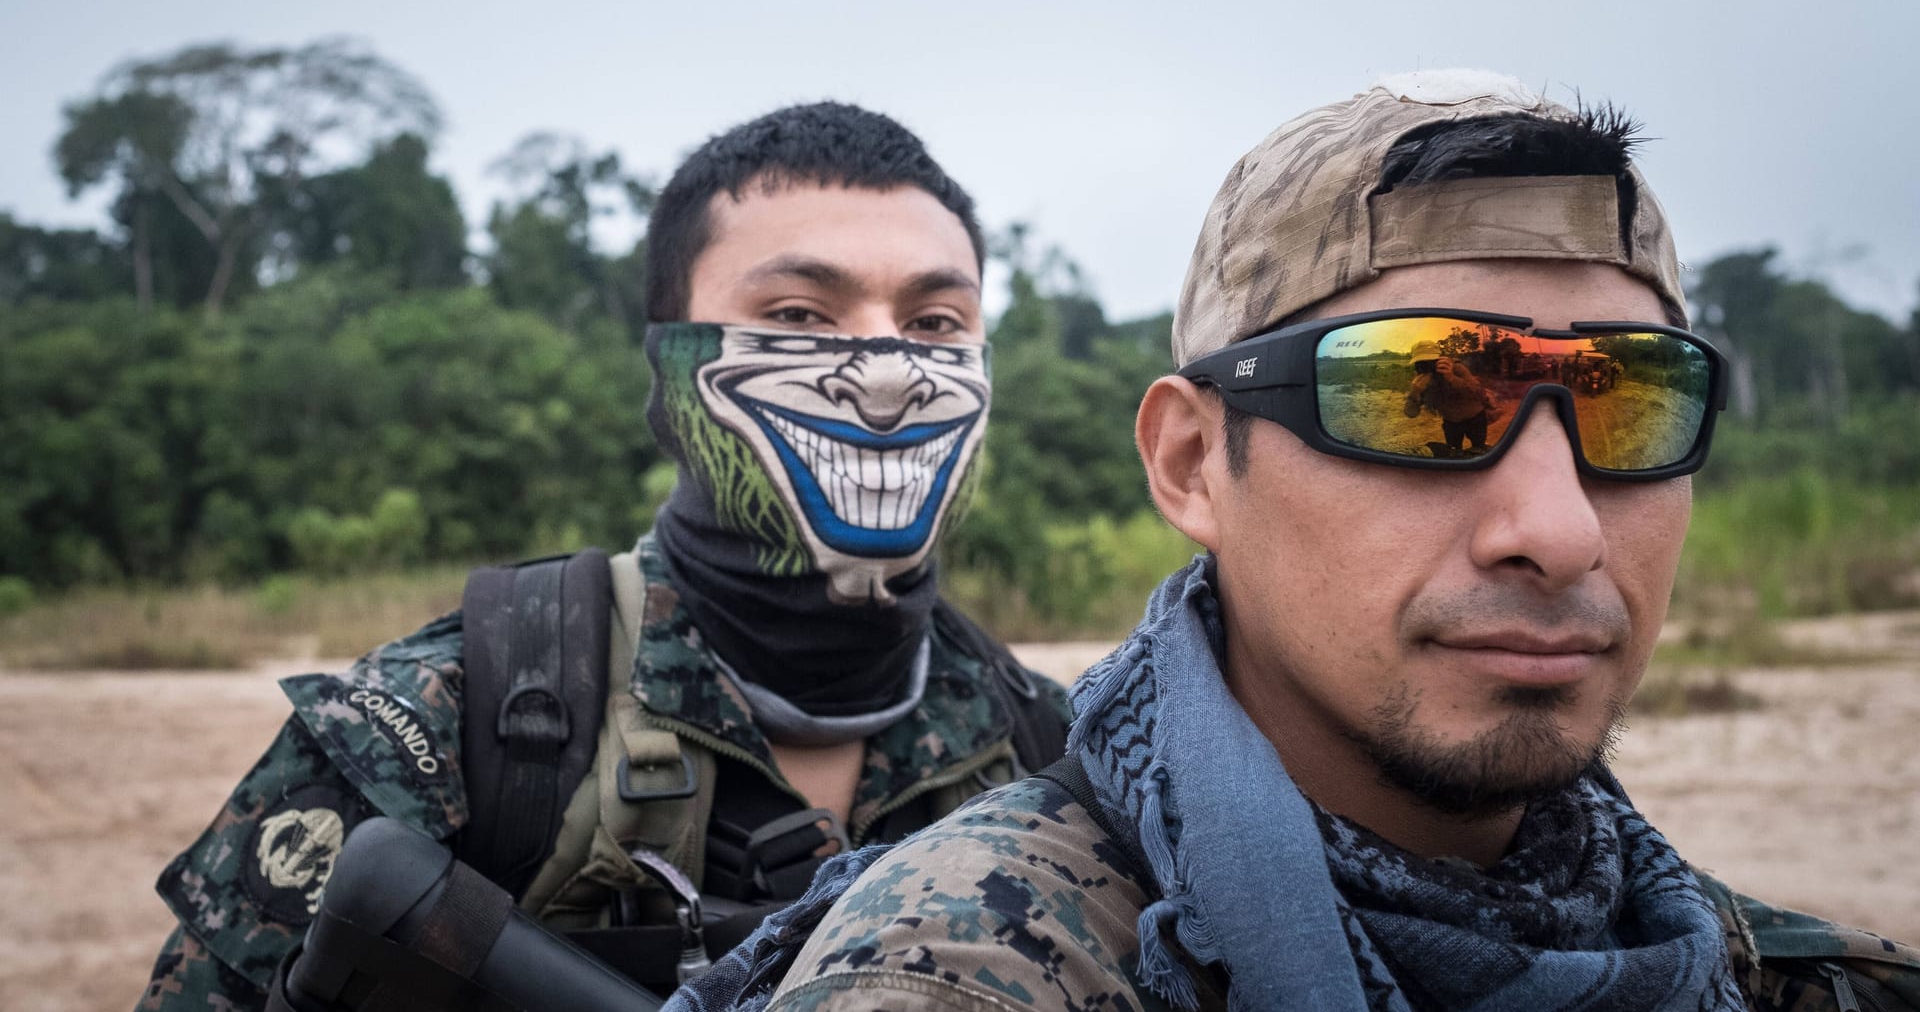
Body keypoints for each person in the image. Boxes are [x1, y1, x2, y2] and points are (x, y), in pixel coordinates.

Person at [751, 73, 1920, 1011]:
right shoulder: (966, 969)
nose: (1558, 532)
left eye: (1632, 406)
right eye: (1422, 399)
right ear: (1193, 464)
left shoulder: (1766, 967)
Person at [135, 102, 1071, 1010]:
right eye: (800, 314)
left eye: (936, 324)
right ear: (668, 363)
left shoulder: (1054, 753)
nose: (885, 378)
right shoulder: (444, 731)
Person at [1402, 341, 1495, 455]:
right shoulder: (1421, 379)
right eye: (1421, 362)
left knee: (1479, 449)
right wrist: (1415, 392)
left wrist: (1451, 378)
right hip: (1451, 422)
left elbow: (1476, 392)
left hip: (1474, 418)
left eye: (1431, 361)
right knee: (1454, 452)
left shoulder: (1455, 368)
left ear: (1439, 358)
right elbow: (1410, 413)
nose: (1426, 366)